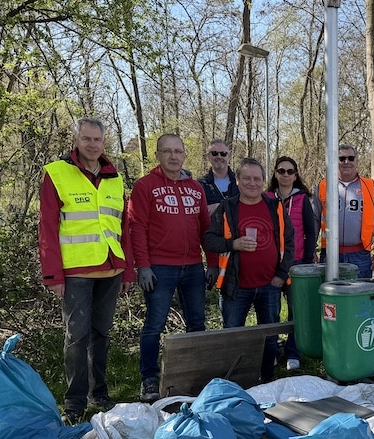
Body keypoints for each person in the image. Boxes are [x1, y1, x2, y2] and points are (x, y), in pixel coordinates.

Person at [39, 118, 134, 425]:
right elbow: (47, 227)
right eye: (86, 139)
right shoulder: (57, 173)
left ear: (104, 142)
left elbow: (124, 228)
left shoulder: (115, 178)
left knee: (101, 334)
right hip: (75, 271)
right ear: (76, 140)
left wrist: (127, 270)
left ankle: (100, 394)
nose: (92, 144)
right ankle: (75, 403)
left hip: (111, 269)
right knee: (76, 337)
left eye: (97, 139)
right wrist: (53, 274)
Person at [128, 134, 215, 402]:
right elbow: (137, 227)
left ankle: (194, 376)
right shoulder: (145, 186)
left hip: (193, 267)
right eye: (167, 151)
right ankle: (149, 379)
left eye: (178, 151)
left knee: (197, 323)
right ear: (158, 155)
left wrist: (212, 262)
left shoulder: (196, 188)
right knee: (155, 324)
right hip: (160, 267)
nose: (173, 156)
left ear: (184, 155)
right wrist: (143, 266)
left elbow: (205, 227)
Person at [203, 157, 295, 383]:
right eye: (246, 178)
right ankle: (236, 382)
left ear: (263, 181)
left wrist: (281, 274)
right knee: (234, 336)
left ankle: (267, 379)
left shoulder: (275, 207)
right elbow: (209, 239)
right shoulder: (227, 208)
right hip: (236, 286)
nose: (252, 183)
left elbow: (290, 242)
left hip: (270, 285)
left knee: (270, 337)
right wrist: (233, 244)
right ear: (237, 180)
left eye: (257, 178)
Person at [266, 156, 317, 370]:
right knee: (271, 311)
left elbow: (310, 232)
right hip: (271, 264)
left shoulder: (302, 199)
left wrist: (307, 260)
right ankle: (273, 351)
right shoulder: (267, 197)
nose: (285, 175)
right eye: (281, 171)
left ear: (295, 176)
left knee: (296, 311)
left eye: (290, 171)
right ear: (275, 174)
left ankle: (293, 352)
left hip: (297, 263)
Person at [316, 143, 374, 278]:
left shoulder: (369, 186)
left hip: (360, 255)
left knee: (360, 292)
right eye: (342, 159)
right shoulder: (323, 186)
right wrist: (311, 250)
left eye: (350, 158)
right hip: (330, 254)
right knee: (330, 292)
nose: (346, 162)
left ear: (356, 161)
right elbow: (314, 220)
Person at [198, 139, 238, 213]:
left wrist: (219, 206)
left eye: (223, 154)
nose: (219, 156)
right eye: (214, 153)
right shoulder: (200, 185)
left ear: (228, 157)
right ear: (208, 156)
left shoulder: (240, 182)